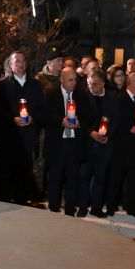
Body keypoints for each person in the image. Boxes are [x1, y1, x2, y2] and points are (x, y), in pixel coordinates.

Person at [0, 51, 47, 205]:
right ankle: (11, 198)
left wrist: (33, 117)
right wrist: (12, 119)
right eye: (16, 61)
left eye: (23, 61)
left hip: (29, 133)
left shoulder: (35, 84)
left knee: (27, 166)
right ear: (10, 65)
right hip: (11, 135)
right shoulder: (2, 85)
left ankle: (25, 198)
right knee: (11, 166)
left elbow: (41, 108)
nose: (20, 64)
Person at [42, 67, 94, 215]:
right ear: (62, 80)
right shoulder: (50, 94)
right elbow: (44, 115)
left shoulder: (82, 95)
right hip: (57, 145)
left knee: (73, 179)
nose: (74, 83)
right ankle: (53, 208)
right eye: (70, 80)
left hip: (74, 144)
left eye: (75, 79)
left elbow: (90, 116)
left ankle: (70, 211)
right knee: (55, 179)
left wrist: (80, 123)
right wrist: (61, 121)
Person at [107, 73, 135, 217]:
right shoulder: (119, 99)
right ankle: (111, 205)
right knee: (116, 179)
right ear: (130, 83)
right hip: (121, 146)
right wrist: (128, 129)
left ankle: (131, 206)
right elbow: (114, 121)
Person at [80, 70, 116, 218]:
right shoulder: (83, 97)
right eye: (89, 84)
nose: (91, 87)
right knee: (84, 177)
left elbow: (117, 119)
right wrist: (91, 133)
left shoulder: (112, 98)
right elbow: (80, 118)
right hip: (87, 144)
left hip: (105, 144)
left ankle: (96, 207)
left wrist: (109, 135)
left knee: (101, 178)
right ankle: (82, 206)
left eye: (94, 84)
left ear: (102, 83)